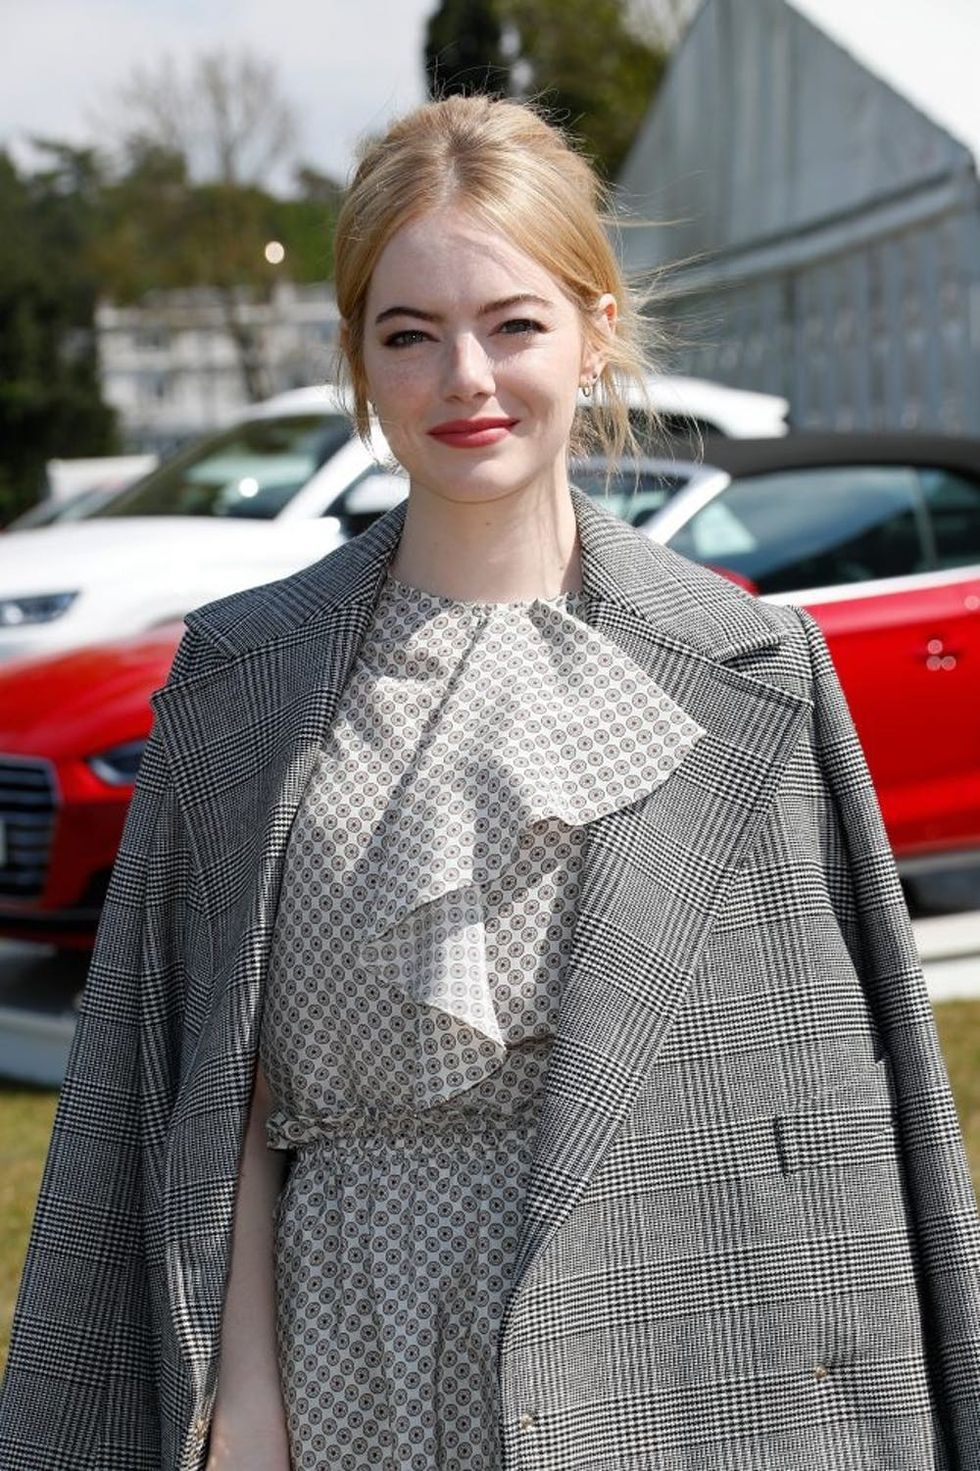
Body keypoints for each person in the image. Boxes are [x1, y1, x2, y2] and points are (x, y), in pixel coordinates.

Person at [2, 93, 979, 1471]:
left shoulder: (749, 670)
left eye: (513, 323)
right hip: (340, 1362)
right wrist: (251, 1405)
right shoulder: (242, 680)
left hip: (664, 1371)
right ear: (359, 361)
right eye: (411, 334)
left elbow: (824, 1118)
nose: (466, 377)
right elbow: (202, 1088)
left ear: (596, 333)